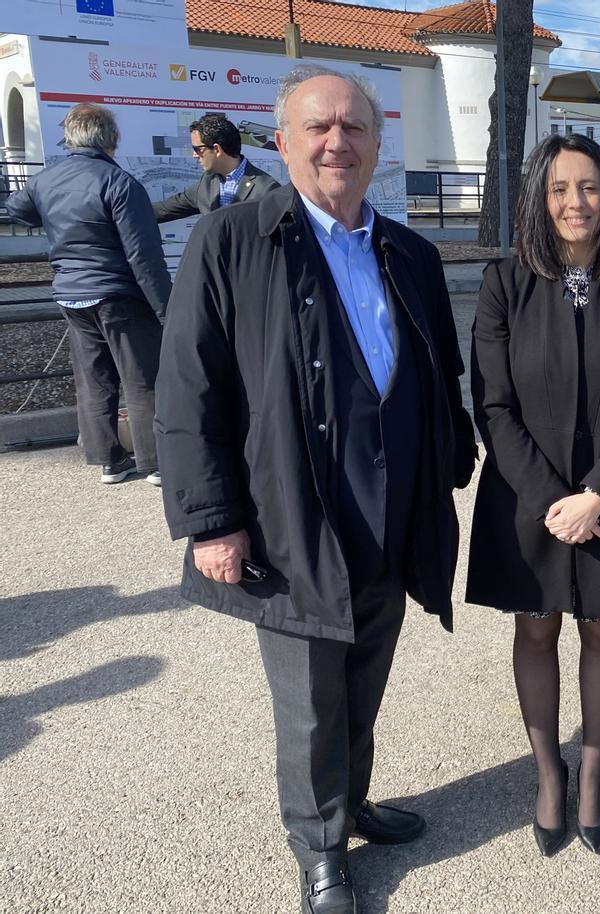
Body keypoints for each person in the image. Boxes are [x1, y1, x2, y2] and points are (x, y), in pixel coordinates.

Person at [154, 65, 476, 914]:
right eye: (318, 127)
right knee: (307, 704)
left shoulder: (409, 251)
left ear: (376, 144)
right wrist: (213, 519)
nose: (338, 141)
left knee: (364, 680)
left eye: (354, 127)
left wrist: (451, 457)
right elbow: (188, 387)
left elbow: (438, 371)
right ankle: (320, 848)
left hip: (393, 514)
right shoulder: (232, 242)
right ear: (284, 142)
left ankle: (350, 799)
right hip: (293, 519)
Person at [466, 133, 600, 856]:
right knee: (534, 628)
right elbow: (492, 405)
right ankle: (547, 770)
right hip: (528, 499)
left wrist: (597, 496)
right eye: (558, 189)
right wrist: (554, 499)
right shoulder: (504, 283)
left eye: (588, 188)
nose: (574, 203)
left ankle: (592, 769)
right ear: (538, 200)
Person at [6, 103, 171, 486]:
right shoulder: (120, 183)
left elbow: (16, 208)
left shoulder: (46, 180)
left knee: (93, 377)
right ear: (112, 138)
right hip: (117, 292)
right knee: (142, 378)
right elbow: (142, 255)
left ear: (70, 138)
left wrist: (48, 212)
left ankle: (109, 461)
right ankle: (155, 462)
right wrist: (166, 309)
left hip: (70, 293)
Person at [154, 113, 279, 222]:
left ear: (216, 149)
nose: (194, 155)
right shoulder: (206, 182)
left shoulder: (266, 190)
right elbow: (165, 210)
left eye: (198, 149)